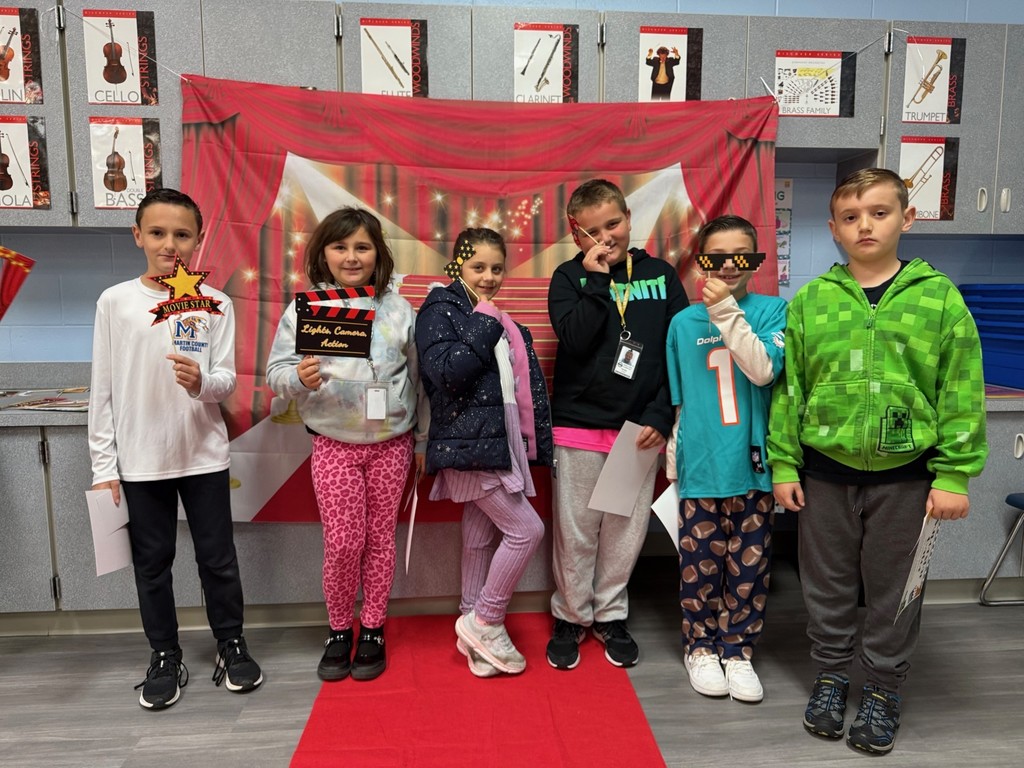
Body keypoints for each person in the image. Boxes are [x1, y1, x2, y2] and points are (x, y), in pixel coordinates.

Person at [768, 168, 988, 755]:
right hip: (825, 475)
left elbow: (961, 388)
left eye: (880, 212)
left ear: (907, 219)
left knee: (894, 590)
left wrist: (954, 473)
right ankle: (834, 677)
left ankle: (884, 687)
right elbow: (791, 390)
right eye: (850, 216)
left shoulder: (939, 298)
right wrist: (785, 465)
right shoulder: (812, 301)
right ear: (835, 229)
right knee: (828, 584)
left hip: (908, 479)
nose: (865, 224)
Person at [88, 188, 262, 711]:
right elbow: (103, 390)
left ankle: (230, 642)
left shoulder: (215, 303)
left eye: (182, 234)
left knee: (218, 559)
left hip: (203, 454)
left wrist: (200, 384)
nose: (170, 244)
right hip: (140, 462)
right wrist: (104, 466)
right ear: (137, 236)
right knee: (152, 563)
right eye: (158, 233)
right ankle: (165, 653)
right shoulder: (115, 302)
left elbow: (227, 379)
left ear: (199, 239)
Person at [266, 207, 423, 683]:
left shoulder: (398, 308)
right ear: (323, 254)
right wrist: (298, 376)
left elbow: (417, 377)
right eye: (340, 247)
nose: (352, 257)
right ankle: (339, 629)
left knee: (379, 541)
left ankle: (372, 628)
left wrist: (423, 439)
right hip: (334, 444)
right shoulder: (306, 309)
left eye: (362, 247)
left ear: (378, 253)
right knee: (342, 543)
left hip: (392, 443)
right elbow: (276, 375)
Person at [546, 178, 687, 669]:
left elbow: (681, 351)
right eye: (593, 231)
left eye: (614, 223)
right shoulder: (568, 277)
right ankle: (571, 615)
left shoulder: (663, 275)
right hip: (580, 423)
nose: (606, 236)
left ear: (628, 218)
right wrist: (597, 280)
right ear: (576, 235)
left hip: (639, 427)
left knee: (622, 533)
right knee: (578, 530)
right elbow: (577, 339)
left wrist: (659, 416)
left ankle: (608, 615)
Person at [415, 228, 552, 677]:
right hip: (468, 443)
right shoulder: (443, 308)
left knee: (478, 537)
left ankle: (472, 629)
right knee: (526, 531)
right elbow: (447, 373)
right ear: (457, 267)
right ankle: (487, 620)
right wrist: (487, 317)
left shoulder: (487, 313)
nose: (490, 277)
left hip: (492, 440)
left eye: (497, 268)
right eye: (479, 267)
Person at [665, 215, 786, 703]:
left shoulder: (774, 310)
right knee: (700, 565)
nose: (729, 267)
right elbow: (679, 403)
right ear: (702, 262)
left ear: (755, 261)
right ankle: (700, 648)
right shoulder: (681, 323)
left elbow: (761, 372)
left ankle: (737, 651)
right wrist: (674, 462)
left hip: (754, 465)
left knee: (749, 569)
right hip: (701, 467)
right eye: (717, 258)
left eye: (742, 257)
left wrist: (726, 312)